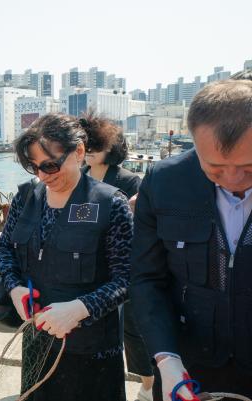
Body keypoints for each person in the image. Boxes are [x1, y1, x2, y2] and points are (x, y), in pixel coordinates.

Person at [0, 113, 133, 400]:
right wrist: (14, 287)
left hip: (92, 352)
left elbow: (128, 277)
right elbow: (5, 249)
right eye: (34, 167)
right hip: (37, 344)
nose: (42, 176)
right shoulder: (26, 198)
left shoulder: (111, 204)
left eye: (50, 165)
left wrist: (80, 309)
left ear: (79, 151)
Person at [130, 80, 252, 401]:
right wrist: (165, 357)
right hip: (187, 366)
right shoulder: (163, 182)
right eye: (215, 168)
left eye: (248, 167)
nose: (233, 180)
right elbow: (146, 278)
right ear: (195, 145)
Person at [81, 112, 152, 399]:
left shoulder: (129, 180)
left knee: (134, 332)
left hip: (125, 268)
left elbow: (144, 226)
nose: (88, 151)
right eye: (84, 145)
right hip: (89, 267)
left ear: (110, 148)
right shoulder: (78, 177)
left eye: (95, 146)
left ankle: (148, 385)